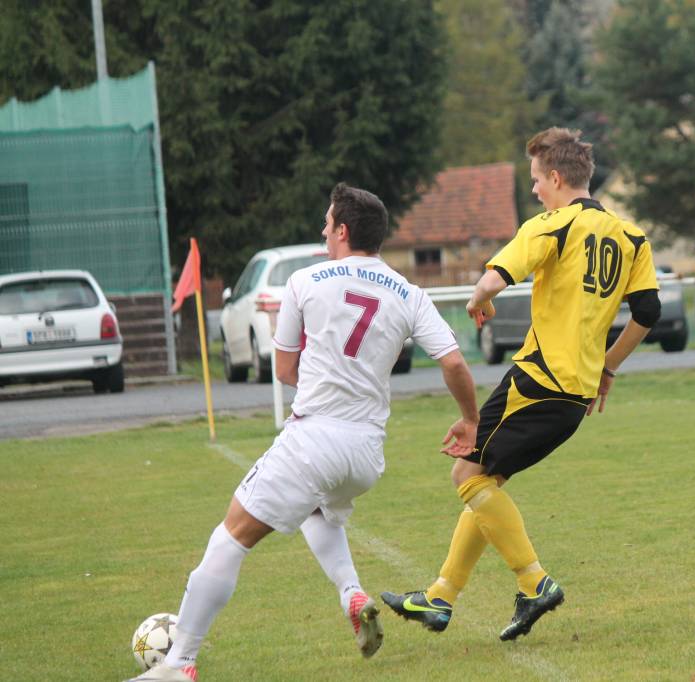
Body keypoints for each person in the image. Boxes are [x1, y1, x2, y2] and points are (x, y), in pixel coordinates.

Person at [127, 184, 481, 681]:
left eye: (327, 222)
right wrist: (470, 419)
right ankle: (350, 592)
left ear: (343, 230)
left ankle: (179, 663)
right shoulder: (409, 292)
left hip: (314, 439)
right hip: (366, 454)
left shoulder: (304, 280)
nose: (323, 230)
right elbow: (454, 363)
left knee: (229, 539)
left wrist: (323, 378)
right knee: (318, 508)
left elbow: (284, 370)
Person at [381, 127, 661, 640]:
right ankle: (441, 597)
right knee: (486, 480)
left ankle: (535, 583)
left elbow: (493, 278)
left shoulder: (551, 224)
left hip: (537, 379)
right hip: (576, 394)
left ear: (555, 177)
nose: (533, 189)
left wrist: (479, 299)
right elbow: (648, 311)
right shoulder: (631, 236)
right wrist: (607, 367)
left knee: (467, 475)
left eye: (535, 179)